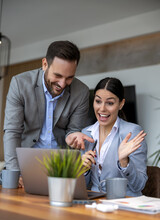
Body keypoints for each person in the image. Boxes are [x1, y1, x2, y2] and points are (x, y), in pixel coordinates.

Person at [3, 40, 94, 175]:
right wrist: (15, 172)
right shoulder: (20, 84)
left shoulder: (81, 92)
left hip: (61, 166)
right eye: (57, 75)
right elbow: (12, 131)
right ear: (45, 64)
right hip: (26, 163)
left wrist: (72, 137)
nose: (62, 84)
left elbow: (73, 130)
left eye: (69, 77)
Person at [81, 77, 148, 196]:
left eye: (110, 103)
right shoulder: (86, 133)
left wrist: (124, 162)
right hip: (96, 202)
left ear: (121, 104)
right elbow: (83, 186)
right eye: (98, 101)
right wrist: (84, 170)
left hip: (125, 203)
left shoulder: (133, 132)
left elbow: (139, 185)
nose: (102, 108)